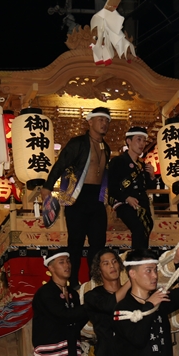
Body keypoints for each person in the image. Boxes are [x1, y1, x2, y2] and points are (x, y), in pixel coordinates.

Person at [43, 107, 112, 286]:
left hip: (96, 198)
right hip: (77, 197)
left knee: (98, 243)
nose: (104, 123)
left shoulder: (106, 148)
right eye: (100, 119)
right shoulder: (78, 143)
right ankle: (73, 283)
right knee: (76, 242)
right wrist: (47, 187)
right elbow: (61, 164)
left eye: (107, 120)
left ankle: (95, 282)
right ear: (90, 122)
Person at [107, 126, 156, 248]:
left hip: (141, 203)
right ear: (128, 141)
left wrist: (151, 176)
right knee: (138, 226)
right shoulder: (118, 161)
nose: (142, 144)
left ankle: (142, 255)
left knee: (148, 225)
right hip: (123, 202)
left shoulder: (142, 164)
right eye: (138, 139)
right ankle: (138, 256)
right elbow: (112, 186)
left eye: (144, 140)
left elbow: (147, 186)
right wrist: (126, 198)